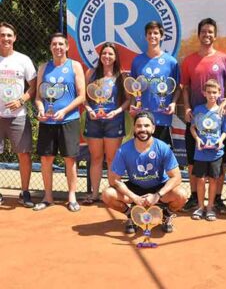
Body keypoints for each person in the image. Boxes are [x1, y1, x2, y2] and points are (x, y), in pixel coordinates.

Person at [181, 18, 226, 214]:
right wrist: (187, 108)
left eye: (210, 32)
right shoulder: (188, 60)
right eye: (203, 31)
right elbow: (185, 87)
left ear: (215, 34)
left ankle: (217, 199)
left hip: (216, 121)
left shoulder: (225, 59)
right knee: (192, 161)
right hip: (196, 120)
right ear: (198, 34)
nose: (207, 35)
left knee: (219, 161)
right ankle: (195, 198)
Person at [102, 111, 186, 233]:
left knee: (182, 195)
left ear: (153, 128)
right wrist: (134, 198)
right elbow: (114, 180)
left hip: (159, 188)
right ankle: (132, 215)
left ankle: (166, 216)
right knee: (107, 194)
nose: (143, 129)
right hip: (135, 188)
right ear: (134, 128)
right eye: (139, 126)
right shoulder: (123, 150)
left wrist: (157, 195)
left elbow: (177, 177)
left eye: (146, 126)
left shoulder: (163, 148)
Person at [34, 33, 85, 212]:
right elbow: (38, 97)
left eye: (61, 44)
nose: (58, 47)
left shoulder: (75, 66)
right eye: (54, 44)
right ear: (50, 47)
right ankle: (48, 197)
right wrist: (40, 110)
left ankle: (72, 197)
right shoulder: (43, 68)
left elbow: (82, 96)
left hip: (68, 120)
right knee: (46, 158)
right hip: (47, 122)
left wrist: (64, 111)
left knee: (70, 159)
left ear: (67, 47)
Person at [82, 42, 130, 205]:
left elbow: (127, 101)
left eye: (110, 54)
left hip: (114, 122)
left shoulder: (121, 76)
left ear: (115, 57)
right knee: (96, 158)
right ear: (100, 56)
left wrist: (116, 112)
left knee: (111, 159)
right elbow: (84, 98)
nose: (107, 57)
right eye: (104, 53)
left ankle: (112, 193)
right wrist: (90, 110)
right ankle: (94, 194)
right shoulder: (91, 73)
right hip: (94, 121)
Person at [0, 22, 36, 207]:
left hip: (18, 116)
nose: (5, 38)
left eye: (8, 35)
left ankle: (25, 192)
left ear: (15, 38)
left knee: (23, 154)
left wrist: (21, 101)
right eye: (2, 35)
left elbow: (34, 85)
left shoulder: (23, 60)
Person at [130, 21, 181, 146]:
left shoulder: (171, 62)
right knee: (141, 155)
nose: (152, 36)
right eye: (149, 33)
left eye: (156, 33)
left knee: (162, 156)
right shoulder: (137, 60)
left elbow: (178, 87)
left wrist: (173, 103)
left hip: (162, 118)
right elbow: (133, 88)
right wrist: (132, 106)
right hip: (142, 119)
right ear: (146, 36)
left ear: (161, 36)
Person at [190, 79, 226, 221]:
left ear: (219, 94)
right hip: (200, 152)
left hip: (216, 153)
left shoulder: (222, 111)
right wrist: (197, 139)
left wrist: (220, 141)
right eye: (209, 92)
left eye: (214, 92)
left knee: (213, 180)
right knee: (200, 180)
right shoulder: (198, 109)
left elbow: (224, 131)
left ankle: (210, 207)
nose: (212, 95)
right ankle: (200, 207)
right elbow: (192, 127)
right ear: (204, 93)